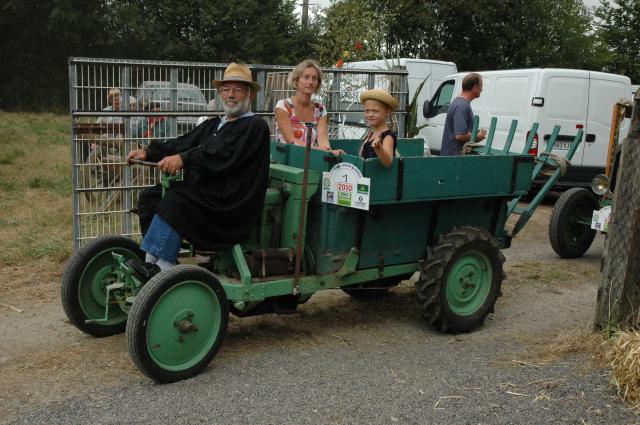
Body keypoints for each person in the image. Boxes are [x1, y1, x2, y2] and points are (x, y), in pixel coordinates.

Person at [126, 62, 271, 276]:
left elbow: (222, 157)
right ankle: (150, 263)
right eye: (226, 89)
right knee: (151, 197)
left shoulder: (255, 127)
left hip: (230, 203)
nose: (231, 95)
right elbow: (184, 142)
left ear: (249, 95)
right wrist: (149, 152)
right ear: (220, 94)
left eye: (238, 90)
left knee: (176, 201)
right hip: (206, 195)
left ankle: (163, 272)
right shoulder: (213, 125)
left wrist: (183, 159)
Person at [275, 59, 341, 155]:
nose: (310, 82)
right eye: (306, 77)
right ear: (296, 80)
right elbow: (292, 141)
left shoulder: (321, 110)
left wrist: (329, 152)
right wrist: (321, 151)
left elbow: (323, 141)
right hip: (286, 161)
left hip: (311, 160)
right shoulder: (283, 106)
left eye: (314, 78)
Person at [440, 72, 487, 156]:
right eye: (481, 87)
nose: (482, 90)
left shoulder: (461, 103)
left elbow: (462, 131)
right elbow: (459, 135)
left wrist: (476, 133)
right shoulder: (461, 105)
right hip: (454, 158)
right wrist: (477, 136)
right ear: (475, 87)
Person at [359, 88, 398, 168]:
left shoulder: (387, 137)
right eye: (367, 111)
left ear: (387, 112)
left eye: (375, 111)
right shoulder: (370, 135)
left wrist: (379, 149)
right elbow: (362, 157)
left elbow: (388, 162)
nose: (370, 114)